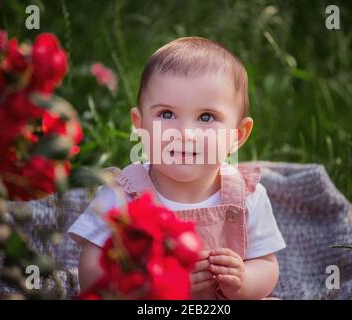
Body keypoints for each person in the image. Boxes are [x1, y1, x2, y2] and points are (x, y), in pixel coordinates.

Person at [68, 37, 286, 299]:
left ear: (237, 135)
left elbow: (266, 265)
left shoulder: (247, 196)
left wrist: (243, 282)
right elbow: (90, 270)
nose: (185, 133)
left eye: (206, 117)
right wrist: (147, 287)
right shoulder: (122, 195)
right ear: (140, 124)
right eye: (167, 114)